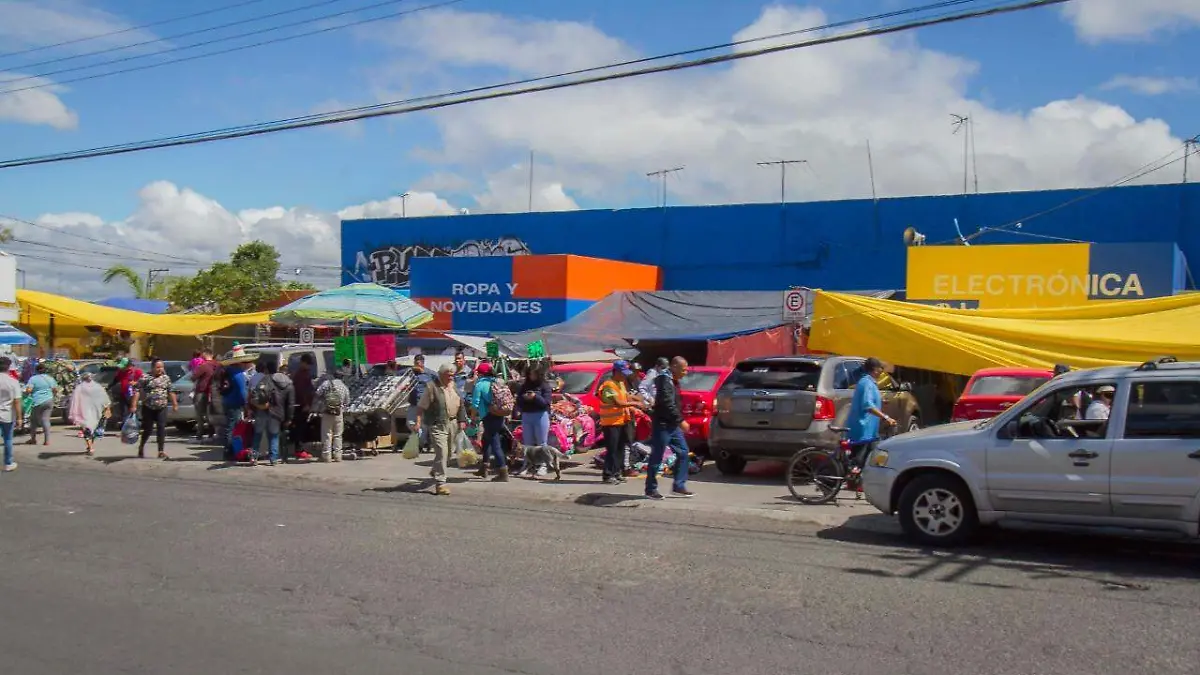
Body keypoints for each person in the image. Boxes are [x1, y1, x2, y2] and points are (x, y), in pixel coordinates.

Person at [413, 362, 469, 496]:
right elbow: (421, 407)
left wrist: (462, 420)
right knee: (442, 453)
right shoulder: (432, 387)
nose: (451, 378)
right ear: (441, 375)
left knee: (449, 454)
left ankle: (435, 469)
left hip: (453, 424)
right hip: (437, 425)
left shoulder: (454, 386)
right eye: (448, 375)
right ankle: (440, 483)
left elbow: (460, 404)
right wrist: (418, 422)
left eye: (452, 375)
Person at [646, 356, 694, 500]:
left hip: (672, 425)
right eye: (683, 369)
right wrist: (681, 421)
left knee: (684, 452)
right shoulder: (664, 381)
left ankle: (679, 486)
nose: (685, 372)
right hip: (662, 425)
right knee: (657, 457)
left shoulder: (673, 381)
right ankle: (650, 489)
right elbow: (668, 404)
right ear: (674, 367)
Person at [598, 360, 644, 484]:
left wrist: (638, 399)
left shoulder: (621, 383)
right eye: (623, 373)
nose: (625, 375)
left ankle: (617, 472)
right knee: (612, 450)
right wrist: (635, 403)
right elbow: (618, 402)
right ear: (616, 371)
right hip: (610, 423)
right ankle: (608, 475)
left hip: (621, 421)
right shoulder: (608, 385)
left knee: (620, 449)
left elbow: (626, 397)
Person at [847, 357, 896, 473]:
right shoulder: (866, 383)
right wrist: (886, 417)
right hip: (863, 429)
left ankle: (861, 481)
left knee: (871, 457)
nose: (881, 371)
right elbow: (867, 405)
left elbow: (870, 400)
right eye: (881, 368)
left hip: (870, 430)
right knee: (859, 460)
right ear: (875, 369)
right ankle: (853, 480)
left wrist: (881, 402)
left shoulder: (871, 382)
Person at [130, 358, 178, 460]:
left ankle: (161, 451)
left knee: (161, 427)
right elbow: (137, 391)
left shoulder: (166, 378)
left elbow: (171, 390)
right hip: (148, 407)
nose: (160, 369)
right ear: (152, 368)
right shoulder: (145, 377)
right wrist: (133, 405)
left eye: (161, 367)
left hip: (162, 407)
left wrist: (174, 404)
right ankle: (141, 446)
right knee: (148, 429)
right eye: (157, 367)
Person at [250, 359, 295, 466]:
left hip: (262, 410)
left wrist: (253, 408)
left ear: (266, 369)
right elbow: (290, 403)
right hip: (277, 412)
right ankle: (273, 459)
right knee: (274, 435)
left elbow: (256, 394)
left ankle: (254, 457)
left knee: (257, 434)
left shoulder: (264, 379)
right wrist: (289, 418)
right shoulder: (288, 382)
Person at [469, 362, 509, 481]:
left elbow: (475, 404)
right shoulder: (498, 382)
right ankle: (484, 467)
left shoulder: (480, 385)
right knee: (486, 441)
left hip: (488, 416)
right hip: (499, 414)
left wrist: (472, 417)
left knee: (495, 443)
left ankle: (503, 471)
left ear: (480, 373)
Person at [515, 365, 553, 477]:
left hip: (541, 415)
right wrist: (524, 398)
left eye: (535, 374)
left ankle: (544, 465)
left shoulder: (544, 386)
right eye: (530, 373)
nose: (532, 376)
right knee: (528, 443)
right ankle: (527, 465)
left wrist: (535, 397)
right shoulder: (525, 386)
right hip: (527, 415)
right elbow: (518, 400)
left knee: (542, 443)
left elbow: (546, 403)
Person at [221, 349, 253, 458]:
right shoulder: (238, 374)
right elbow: (242, 391)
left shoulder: (228, 371)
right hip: (235, 403)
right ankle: (229, 451)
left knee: (229, 427)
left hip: (227, 401)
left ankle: (228, 449)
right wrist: (247, 405)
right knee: (232, 428)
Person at [69, 372, 111, 457]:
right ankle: (90, 445)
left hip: (84, 411)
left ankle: (90, 447)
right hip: (97, 411)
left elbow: (74, 401)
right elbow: (105, 399)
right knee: (93, 429)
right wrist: (107, 408)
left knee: (87, 430)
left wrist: (75, 412)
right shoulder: (98, 387)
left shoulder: (80, 388)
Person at [315, 369, 350, 462]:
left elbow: (317, 393)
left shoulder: (326, 383)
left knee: (327, 434)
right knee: (338, 435)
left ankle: (327, 456)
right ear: (342, 377)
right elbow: (347, 401)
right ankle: (338, 455)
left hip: (327, 411)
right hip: (339, 413)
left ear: (333, 375)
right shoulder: (344, 387)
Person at [25, 362, 60, 446]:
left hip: (37, 401)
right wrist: (52, 395)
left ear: (36, 370)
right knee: (46, 420)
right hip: (49, 400)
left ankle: (33, 439)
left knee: (33, 421)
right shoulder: (50, 378)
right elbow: (55, 390)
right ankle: (47, 441)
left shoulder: (33, 379)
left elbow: (29, 390)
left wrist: (27, 392)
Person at [290, 353, 316, 460]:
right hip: (300, 405)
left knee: (301, 428)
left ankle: (300, 449)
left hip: (302, 405)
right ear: (303, 363)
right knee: (300, 428)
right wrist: (306, 404)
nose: (309, 366)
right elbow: (302, 392)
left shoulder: (302, 373)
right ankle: (299, 450)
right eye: (308, 364)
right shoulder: (301, 375)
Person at [406, 354, 433, 453]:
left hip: (424, 403)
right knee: (410, 423)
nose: (417, 364)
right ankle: (421, 441)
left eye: (419, 362)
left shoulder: (429, 373)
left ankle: (421, 444)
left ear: (422, 363)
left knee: (424, 425)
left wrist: (424, 372)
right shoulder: (410, 372)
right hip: (413, 402)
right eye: (415, 362)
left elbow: (438, 380)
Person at [0, 356, 23, 471]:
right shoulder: (13, 382)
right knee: (8, 439)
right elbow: (17, 401)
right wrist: (19, 418)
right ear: (9, 367)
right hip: (7, 415)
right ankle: (8, 463)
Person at [191, 349, 219, 442]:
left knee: (199, 414)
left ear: (205, 354)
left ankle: (200, 434)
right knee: (209, 414)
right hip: (215, 392)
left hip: (202, 392)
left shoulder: (203, 366)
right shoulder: (218, 365)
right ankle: (211, 433)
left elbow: (193, 377)